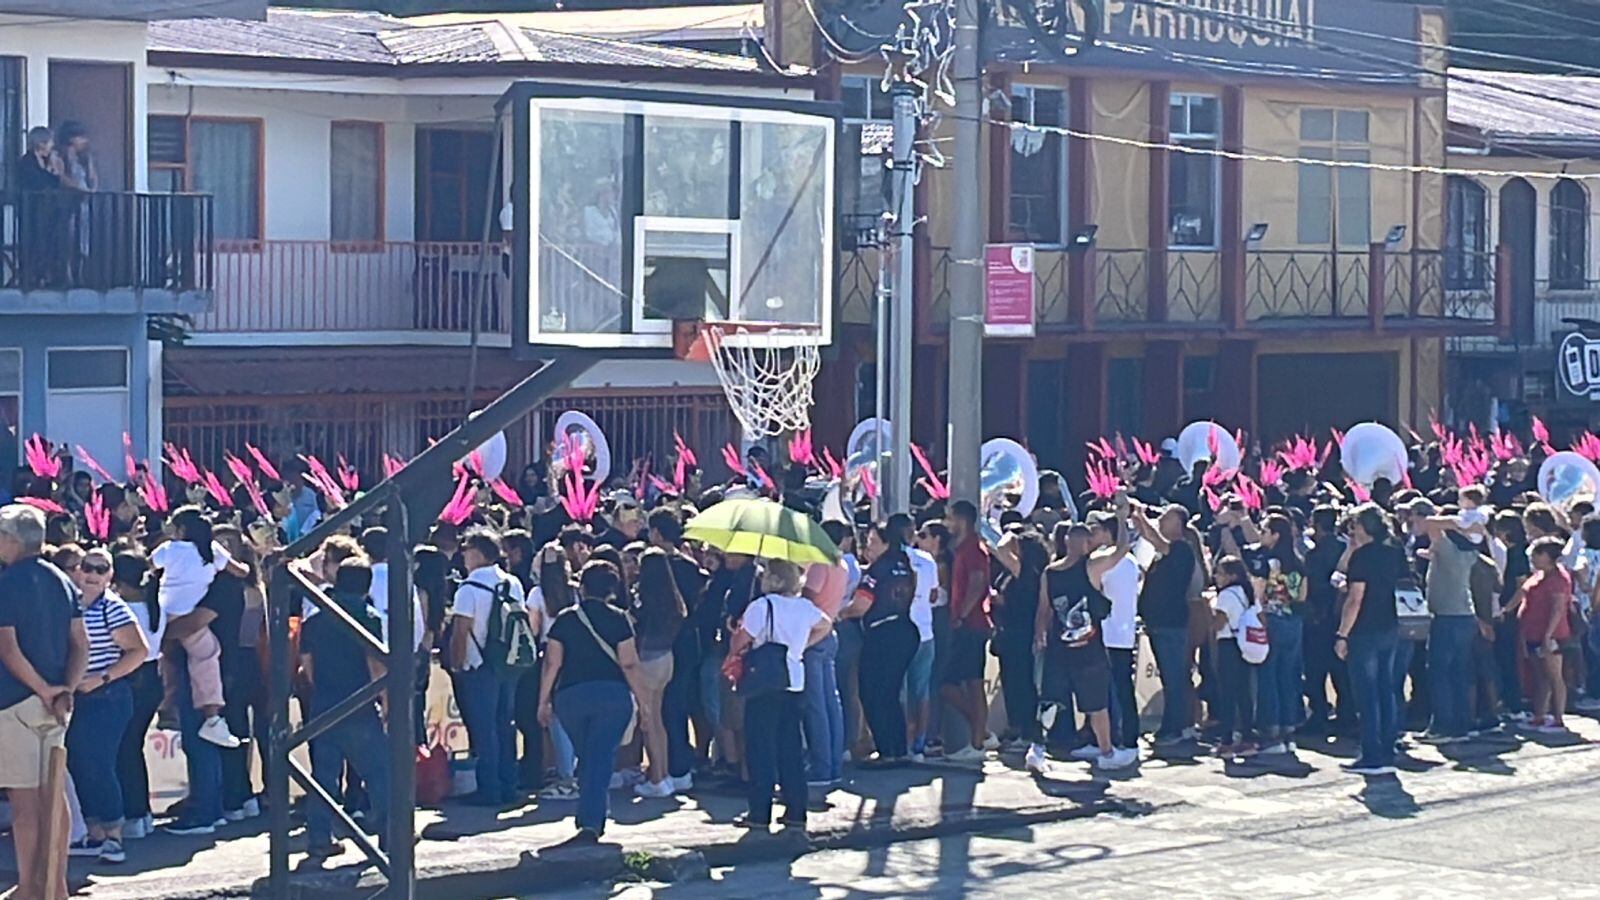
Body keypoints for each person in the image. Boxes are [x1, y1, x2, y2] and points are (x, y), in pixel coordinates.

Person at [0, 503, 88, 900]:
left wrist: (43, 688)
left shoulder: (8, 581)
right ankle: (54, 883)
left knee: (25, 801)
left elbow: (9, 647)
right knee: (54, 795)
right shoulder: (62, 579)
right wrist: (64, 688)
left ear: (11, 539)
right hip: (55, 700)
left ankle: (32, 887)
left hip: (18, 701)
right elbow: (80, 644)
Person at [539, 560, 650, 845]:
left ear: (582, 586)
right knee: (601, 755)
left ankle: (590, 813)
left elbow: (552, 663)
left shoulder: (564, 620)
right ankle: (591, 820)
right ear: (612, 590)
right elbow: (629, 664)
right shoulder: (620, 619)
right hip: (612, 696)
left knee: (589, 755)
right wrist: (645, 703)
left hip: (571, 697)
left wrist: (543, 701)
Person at [1032, 509, 1137, 773]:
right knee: (1096, 704)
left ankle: (1037, 749)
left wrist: (1039, 635)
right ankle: (1106, 752)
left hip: (1060, 645)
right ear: (1087, 543)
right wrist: (1122, 517)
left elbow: (1043, 610)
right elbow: (1122, 549)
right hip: (1087, 649)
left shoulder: (1050, 571)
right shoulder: (1090, 566)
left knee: (1052, 700)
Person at [300, 559, 392, 859]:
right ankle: (391, 837)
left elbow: (307, 666)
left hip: (324, 705)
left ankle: (319, 839)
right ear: (367, 587)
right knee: (379, 774)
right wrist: (386, 702)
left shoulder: (314, 620)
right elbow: (376, 665)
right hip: (360, 705)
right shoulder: (369, 617)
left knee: (323, 778)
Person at [729, 559, 829, 830]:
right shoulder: (804, 608)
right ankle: (796, 809)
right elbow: (826, 625)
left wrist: (734, 640)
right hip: (794, 680)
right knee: (791, 747)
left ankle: (759, 811)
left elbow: (741, 640)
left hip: (765, 682)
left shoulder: (761, 606)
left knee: (760, 747)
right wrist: (800, 646)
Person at [63, 547, 147, 864]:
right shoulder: (71, 604)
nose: (93, 575)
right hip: (77, 696)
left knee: (100, 764)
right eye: (88, 567)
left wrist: (102, 678)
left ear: (110, 576)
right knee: (80, 764)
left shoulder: (113, 607)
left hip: (108, 697)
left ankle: (114, 835)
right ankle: (94, 832)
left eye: (101, 569)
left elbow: (138, 651)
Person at [150, 506, 248, 748]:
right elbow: (241, 571)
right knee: (207, 655)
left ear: (182, 529)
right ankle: (212, 718)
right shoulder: (212, 551)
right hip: (188, 615)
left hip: (163, 612)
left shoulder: (169, 549)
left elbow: (149, 567)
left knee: (164, 657)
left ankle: (166, 708)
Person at [447, 528, 528, 807]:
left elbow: (461, 631)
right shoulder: (513, 583)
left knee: (484, 729)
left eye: (466, 549)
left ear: (478, 553)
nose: (463, 555)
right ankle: (509, 785)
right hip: (509, 663)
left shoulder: (468, 588)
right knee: (505, 724)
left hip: (478, 665)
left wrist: (456, 664)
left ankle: (488, 789)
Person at [1335, 504, 1406, 776]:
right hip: (1389, 624)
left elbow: (1354, 599)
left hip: (1364, 629)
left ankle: (1371, 753)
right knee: (1386, 689)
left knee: (1366, 693)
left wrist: (1342, 634)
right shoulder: (1392, 552)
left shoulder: (1363, 558)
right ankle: (1388, 747)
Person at [843, 523, 919, 766]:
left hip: (884, 634)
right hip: (905, 629)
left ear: (887, 543)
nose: (868, 547)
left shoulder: (877, 570)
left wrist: (838, 614)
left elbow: (861, 605)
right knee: (891, 693)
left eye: (873, 542)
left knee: (872, 692)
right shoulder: (905, 565)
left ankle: (887, 749)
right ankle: (898, 748)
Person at [1132, 502, 1198, 746]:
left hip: (1172, 623)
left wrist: (1141, 515)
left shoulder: (1181, 548)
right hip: (1159, 623)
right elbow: (1148, 537)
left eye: (1167, 517)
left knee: (1174, 678)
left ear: (1179, 524)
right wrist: (1136, 518)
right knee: (1169, 677)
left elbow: (1155, 539)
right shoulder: (1162, 553)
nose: (1161, 520)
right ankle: (1172, 727)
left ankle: (1176, 729)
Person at [1414, 510, 1481, 743]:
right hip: (1464, 615)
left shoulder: (1448, 548)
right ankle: (1461, 723)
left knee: (1439, 672)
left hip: (1446, 617)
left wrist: (1457, 523)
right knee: (1458, 672)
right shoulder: (1469, 552)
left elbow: (1430, 522)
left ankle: (1442, 725)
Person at [111, 550, 162, 840]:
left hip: (132, 676)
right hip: (151, 678)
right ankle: (141, 813)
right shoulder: (156, 605)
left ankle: (133, 814)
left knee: (125, 749)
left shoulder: (123, 609)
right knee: (133, 747)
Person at [940, 500, 995, 763]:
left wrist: (961, 614)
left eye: (950, 518)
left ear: (962, 520)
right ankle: (979, 732)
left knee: (958, 683)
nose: (947, 523)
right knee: (969, 683)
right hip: (969, 623)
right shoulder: (962, 548)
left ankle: (978, 736)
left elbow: (977, 582)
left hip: (971, 624)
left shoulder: (973, 548)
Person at [630, 548, 686, 798]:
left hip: (648, 659)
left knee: (648, 720)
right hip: (667, 657)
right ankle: (663, 773)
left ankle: (657, 778)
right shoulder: (673, 599)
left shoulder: (644, 597)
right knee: (658, 720)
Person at [1254, 514, 1307, 755]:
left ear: (1275, 535)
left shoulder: (1268, 561)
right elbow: (1302, 596)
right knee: (1287, 675)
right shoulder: (1298, 561)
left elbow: (1259, 592)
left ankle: (1270, 729)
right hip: (1293, 621)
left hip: (1272, 619)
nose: (1261, 534)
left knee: (1268, 676)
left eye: (1264, 530)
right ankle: (1289, 726)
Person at [799, 547, 846, 785]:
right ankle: (833, 764)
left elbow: (807, 597)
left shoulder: (820, 564)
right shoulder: (842, 565)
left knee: (816, 706)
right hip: (830, 632)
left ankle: (821, 767)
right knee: (830, 703)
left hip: (814, 635)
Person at [1516, 537, 1573, 734]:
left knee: (1554, 676)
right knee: (1540, 675)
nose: (1533, 558)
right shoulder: (1539, 575)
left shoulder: (1558, 579)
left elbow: (1558, 609)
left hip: (1550, 635)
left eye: (1537, 554)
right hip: (1532, 632)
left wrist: (1548, 636)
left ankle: (1558, 718)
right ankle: (1540, 715)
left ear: (1548, 556)